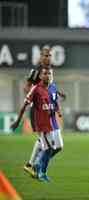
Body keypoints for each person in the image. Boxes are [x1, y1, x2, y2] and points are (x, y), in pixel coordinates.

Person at [22, 48, 64, 179]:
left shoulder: (50, 70)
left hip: (48, 109)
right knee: (45, 140)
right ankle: (33, 165)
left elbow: (49, 87)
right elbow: (26, 87)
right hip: (38, 110)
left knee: (53, 143)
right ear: (41, 57)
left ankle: (33, 164)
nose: (48, 57)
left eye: (50, 55)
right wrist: (35, 96)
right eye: (46, 55)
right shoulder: (36, 71)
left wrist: (57, 94)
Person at [11, 66, 56, 182]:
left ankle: (36, 168)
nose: (47, 75)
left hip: (48, 123)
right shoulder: (36, 88)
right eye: (44, 73)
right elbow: (25, 104)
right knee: (49, 148)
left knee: (51, 147)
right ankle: (40, 172)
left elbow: (47, 105)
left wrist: (52, 110)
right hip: (41, 124)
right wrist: (17, 121)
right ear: (40, 76)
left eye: (48, 73)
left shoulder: (47, 89)